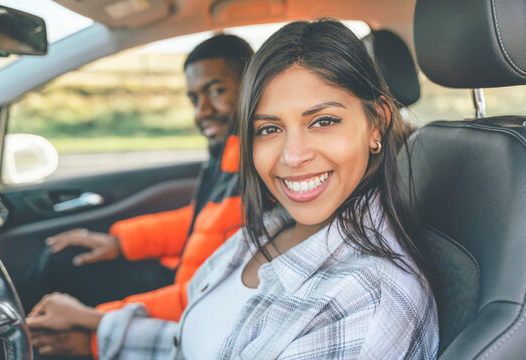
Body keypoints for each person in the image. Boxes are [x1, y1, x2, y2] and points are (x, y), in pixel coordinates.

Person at [29, 19, 439, 359]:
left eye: (323, 121)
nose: (292, 156)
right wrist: (98, 334)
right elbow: (191, 339)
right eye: (269, 129)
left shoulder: (367, 303)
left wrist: (97, 320)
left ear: (377, 124)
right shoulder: (266, 229)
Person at [24, 34, 253, 357]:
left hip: (187, 297)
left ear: (252, 87)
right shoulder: (228, 154)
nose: (202, 112)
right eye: (193, 99)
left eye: (216, 91)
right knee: (64, 258)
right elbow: (200, 222)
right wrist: (119, 242)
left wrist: (94, 321)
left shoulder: (258, 168)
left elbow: (200, 301)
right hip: (182, 278)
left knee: (60, 292)